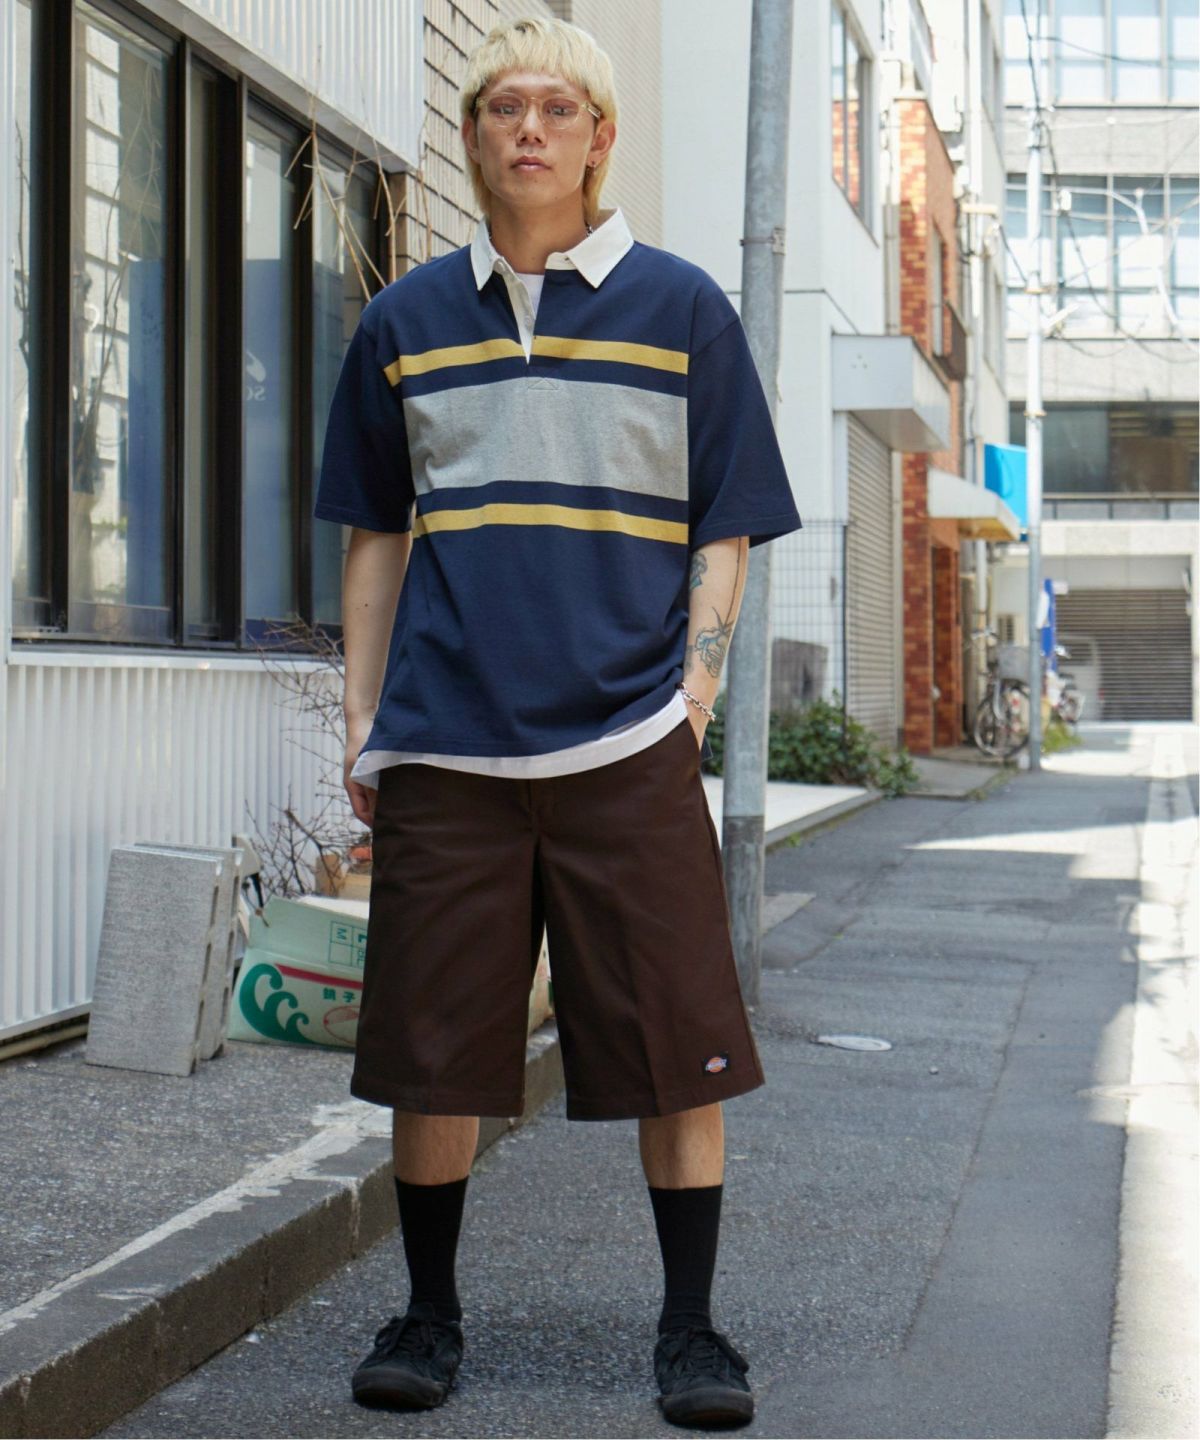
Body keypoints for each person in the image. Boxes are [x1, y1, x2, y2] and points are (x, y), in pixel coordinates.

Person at [313, 13, 801, 1430]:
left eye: (557, 108)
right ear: (472, 137)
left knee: (677, 1047)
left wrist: (693, 695)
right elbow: (373, 535)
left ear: (599, 137)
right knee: (433, 1049)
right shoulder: (405, 322)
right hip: (446, 745)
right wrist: (362, 716)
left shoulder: (685, 310)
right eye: (501, 107)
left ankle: (692, 1330)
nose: (528, 128)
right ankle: (429, 1314)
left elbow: (724, 530)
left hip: (627, 744)